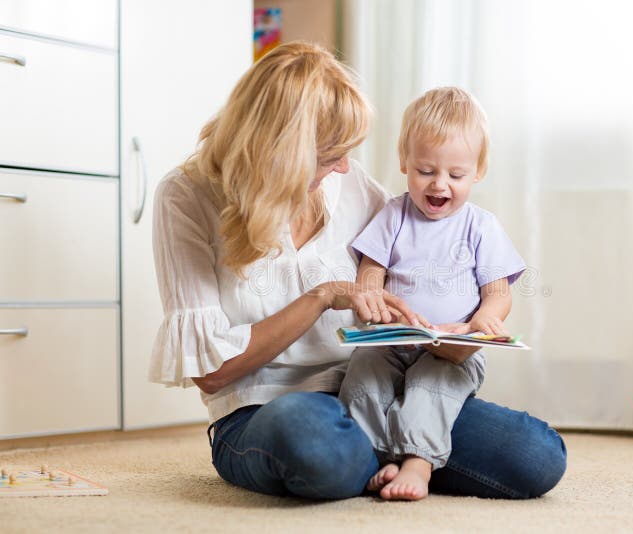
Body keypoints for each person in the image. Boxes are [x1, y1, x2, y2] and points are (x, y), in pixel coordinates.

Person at [149, 41, 566, 501]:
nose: (346, 167)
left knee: (536, 454)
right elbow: (211, 372)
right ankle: (395, 455)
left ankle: (399, 458)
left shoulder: (350, 185)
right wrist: (321, 297)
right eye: (331, 155)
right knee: (314, 438)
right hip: (264, 409)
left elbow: (408, 264)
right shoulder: (186, 197)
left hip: (378, 390)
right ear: (282, 152)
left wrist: (448, 336)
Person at [338, 87, 527, 501]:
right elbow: (372, 270)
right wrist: (372, 300)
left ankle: (418, 462)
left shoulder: (481, 226)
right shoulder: (393, 214)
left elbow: (498, 292)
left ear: (477, 171)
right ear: (404, 162)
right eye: (425, 171)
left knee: (430, 384)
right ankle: (375, 457)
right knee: (363, 374)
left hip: (450, 347)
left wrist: (484, 320)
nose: (439, 184)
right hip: (396, 338)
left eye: (455, 175)